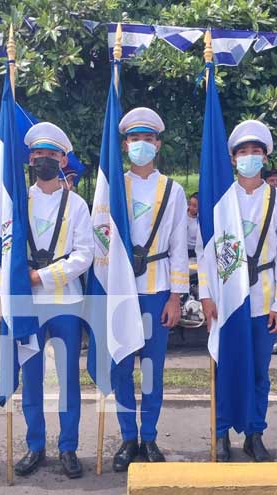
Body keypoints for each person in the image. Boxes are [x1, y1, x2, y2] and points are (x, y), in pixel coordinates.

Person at [198, 120, 277, 462]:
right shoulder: (221, 199)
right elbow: (204, 249)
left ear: (265, 157)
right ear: (232, 158)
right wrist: (205, 294)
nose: (249, 157)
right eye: (243, 152)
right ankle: (221, 431)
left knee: (259, 372)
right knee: (225, 367)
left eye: (256, 152)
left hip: (264, 300)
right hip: (227, 298)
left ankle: (255, 432)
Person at [14, 122, 94, 480]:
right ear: (29, 158)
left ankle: (68, 446)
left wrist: (41, 276)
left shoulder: (76, 204)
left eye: (50, 155)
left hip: (64, 302)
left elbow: (84, 255)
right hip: (28, 304)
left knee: (67, 381)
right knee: (31, 378)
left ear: (63, 159)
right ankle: (35, 445)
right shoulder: (16, 200)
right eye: (37, 154)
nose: (43, 160)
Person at [111, 107, 189, 472]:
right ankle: (128, 437)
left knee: (152, 370)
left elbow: (178, 244)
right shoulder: (112, 185)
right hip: (121, 290)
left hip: (157, 288)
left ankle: (150, 436)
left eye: (148, 139)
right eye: (134, 139)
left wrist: (176, 296)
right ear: (125, 144)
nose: (141, 145)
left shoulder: (172, 189)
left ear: (157, 144)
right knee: (122, 368)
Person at [187, 192, 199, 258]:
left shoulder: (201, 218)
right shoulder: (183, 215)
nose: (191, 207)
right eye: (190, 204)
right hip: (184, 249)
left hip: (196, 250)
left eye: (194, 206)